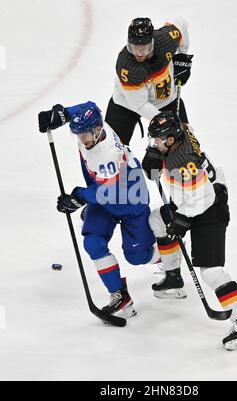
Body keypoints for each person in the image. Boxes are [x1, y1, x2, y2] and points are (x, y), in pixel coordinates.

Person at [142, 111, 237, 351]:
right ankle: (173, 278)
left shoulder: (184, 162)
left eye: (157, 141)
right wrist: (153, 161)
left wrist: (181, 221)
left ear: (172, 140)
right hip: (191, 197)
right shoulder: (180, 134)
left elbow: (205, 198)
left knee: (211, 272)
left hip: (210, 206)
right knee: (157, 220)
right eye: (153, 140)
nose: (154, 144)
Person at [38, 102, 161, 318]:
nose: (81, 140)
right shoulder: (93, 124)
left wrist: (78, 197)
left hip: (130, 200)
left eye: (85, 134)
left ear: (97, 130)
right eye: (77, 134)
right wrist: (59, 114)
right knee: (93, 242)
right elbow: (86, 107)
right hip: (103, 196)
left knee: (138, 256)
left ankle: (168, 254)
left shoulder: (108, 155)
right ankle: (119, 295)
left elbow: (106, 192)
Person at [105, 16, 193, 145]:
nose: (139, 53)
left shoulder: (165, 40)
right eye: (134, 48)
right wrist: (166, 122)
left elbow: (181, 22)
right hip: (125, 106)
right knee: (114, 148)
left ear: (152, 43)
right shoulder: (127, 66)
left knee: (181, 145)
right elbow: (139, 105)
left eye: (144, 48)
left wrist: (182, 56)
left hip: (166, 101)